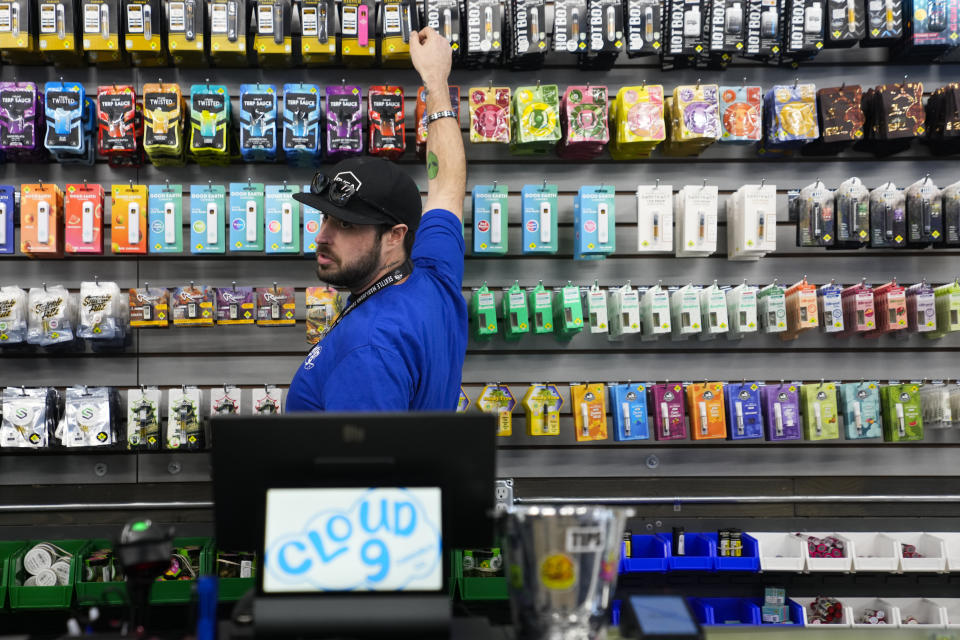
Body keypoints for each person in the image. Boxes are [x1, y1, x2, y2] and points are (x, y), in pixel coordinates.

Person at [285, 27, 467, 412]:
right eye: (326, 218)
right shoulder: (435, 277)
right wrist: (436, 81)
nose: (322, 236)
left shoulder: (368, 350)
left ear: (394, 236)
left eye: (347, 224)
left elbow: (370, 472)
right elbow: (446, 186)